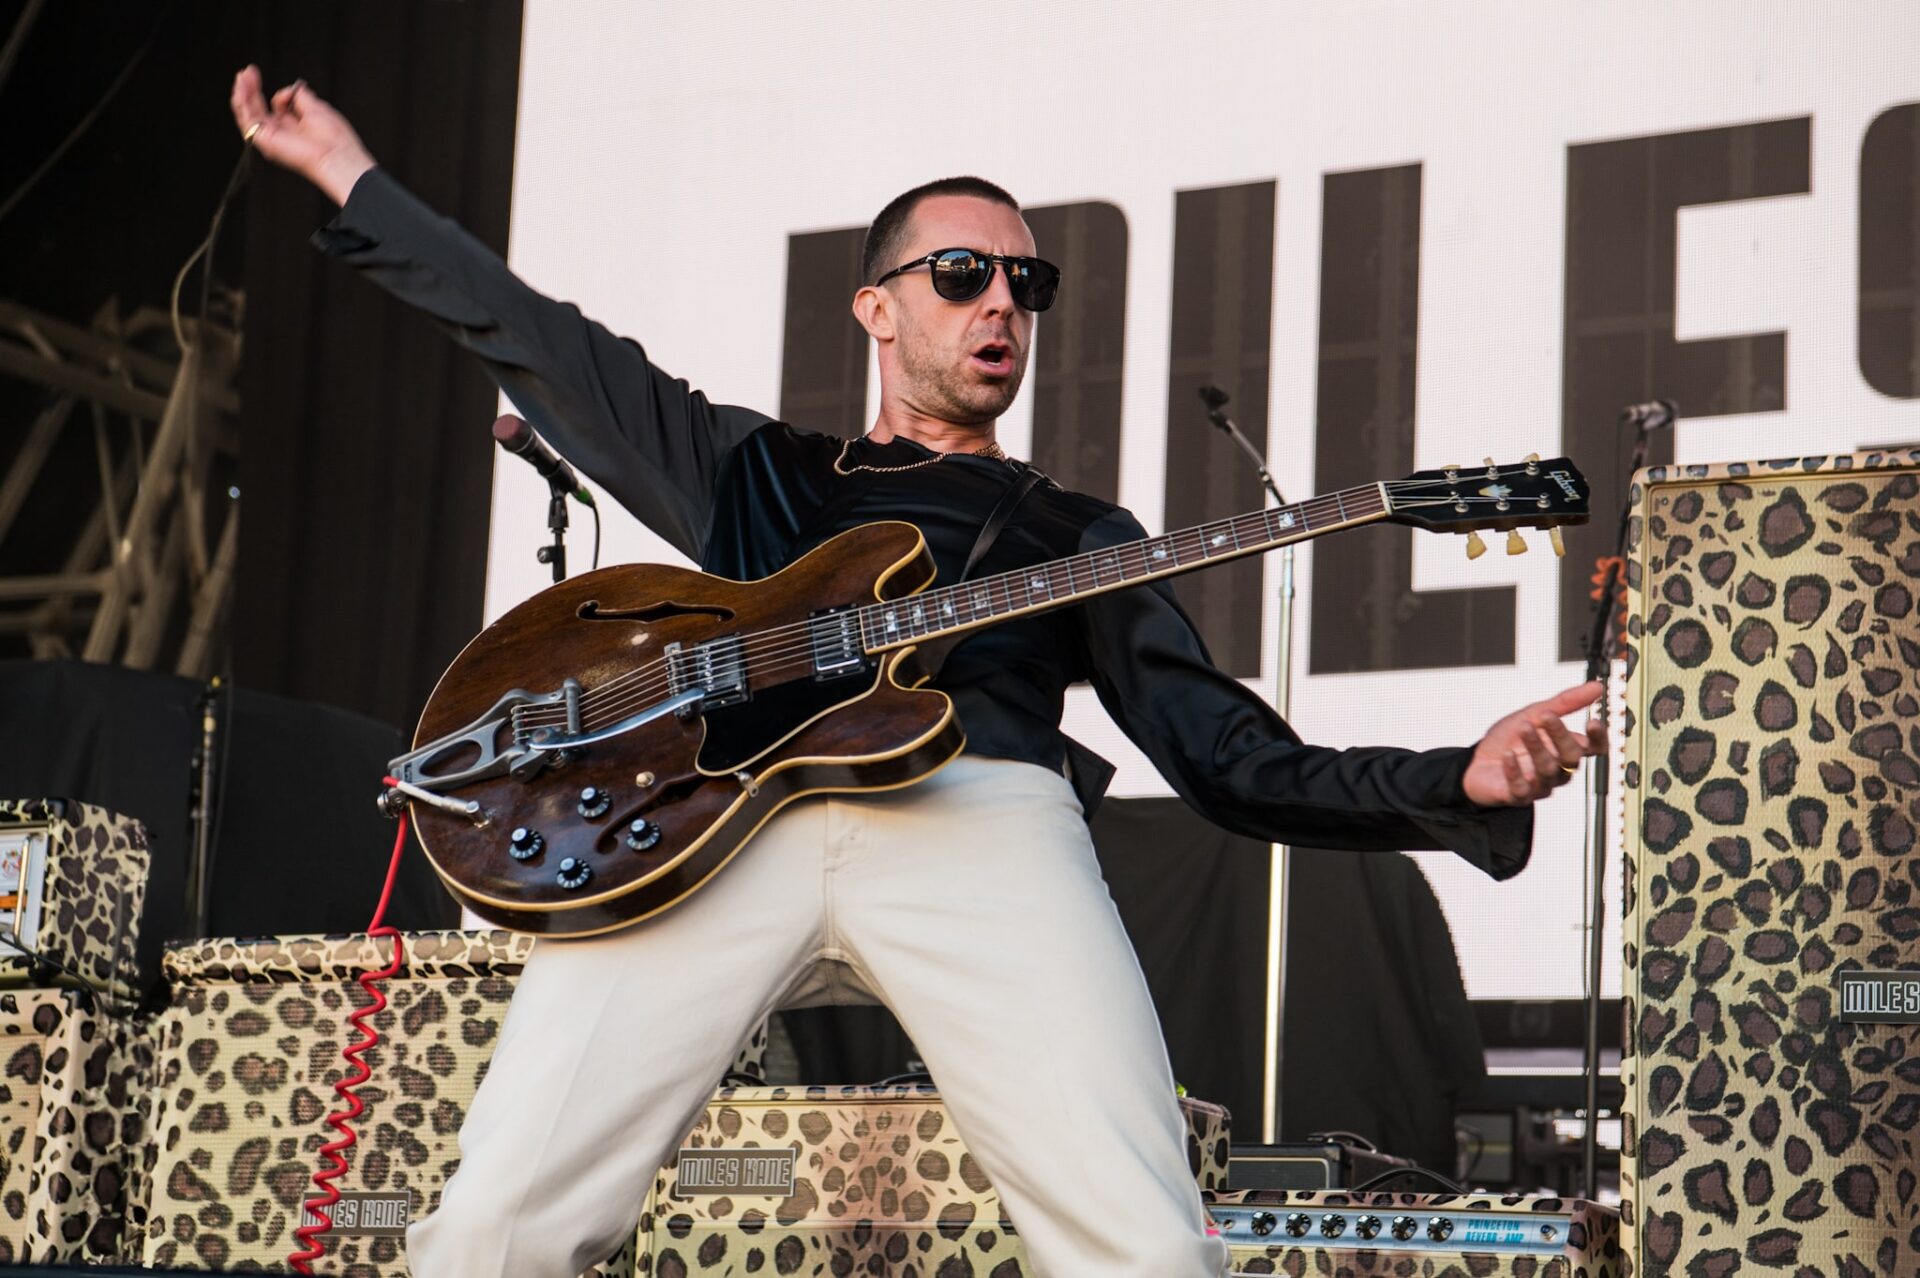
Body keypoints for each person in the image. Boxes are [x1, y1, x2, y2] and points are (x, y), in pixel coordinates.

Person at [230, 66, 1606, 1278]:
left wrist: (1458, 776)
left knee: (1139, 1239)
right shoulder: (761, 474)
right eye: (965, 274)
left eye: (1028, 283)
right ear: (877, 309)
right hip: (719, 832)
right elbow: (550, 343)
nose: (1003, 301)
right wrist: (356, 176)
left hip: (978, 817)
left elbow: (1228, 755)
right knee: (491, 1234)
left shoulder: (1078, 533)